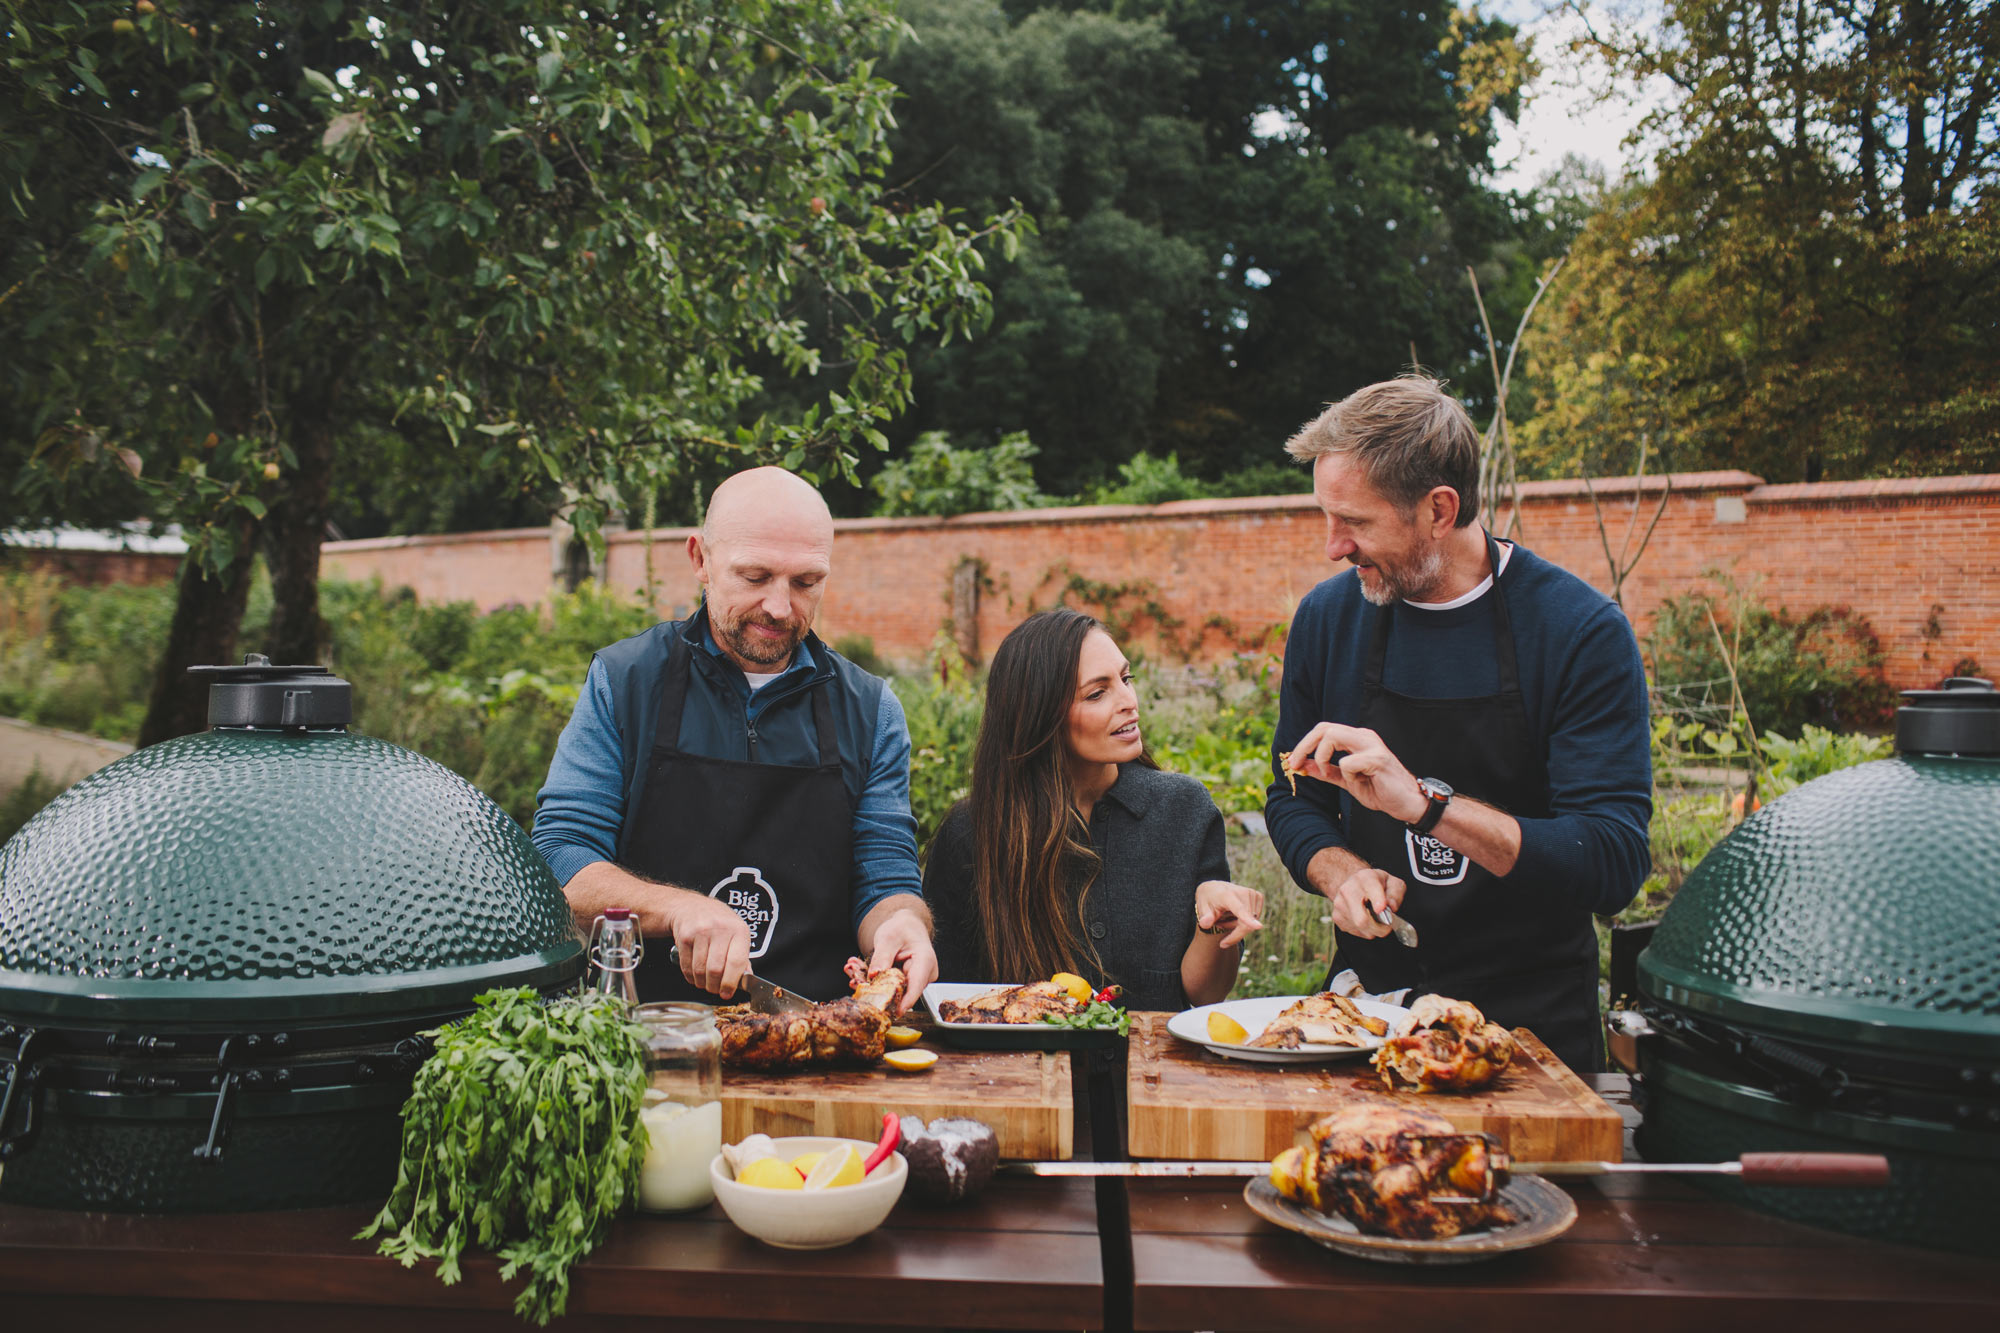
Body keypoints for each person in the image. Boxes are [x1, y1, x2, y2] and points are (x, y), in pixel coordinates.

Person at [1264, 376, 1652, 1072]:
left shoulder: (1578, 631)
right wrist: (1340, 870)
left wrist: (1425, 806)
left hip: (1531, 1032)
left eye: (1354, 521)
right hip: (1368, 1016)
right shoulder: (1328, 621)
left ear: (1439, 508)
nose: (1332, 546)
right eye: (1326, 516)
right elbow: (1294, 802)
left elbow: (1611, 859)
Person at [532, 466, 935, 1012]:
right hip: (648, 1037)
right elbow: (562, 859)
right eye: (754, 576)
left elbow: (884, 873)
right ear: (700, 558)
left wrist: (902, 924)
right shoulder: (626, 683)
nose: (779, 606)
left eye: (806, 582)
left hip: (816, 1041)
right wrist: (677, 910)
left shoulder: (870, 709)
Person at [923, 608, 1266, 1011]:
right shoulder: (973, 834)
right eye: (1097, 693)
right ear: (1039, 717)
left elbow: (1206, 994)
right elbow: (948, 1001)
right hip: (1020, 1072)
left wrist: (1214, 924)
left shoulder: (1184, 810)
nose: (1129, 702)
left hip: (1156, 1071)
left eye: (1126, 679)